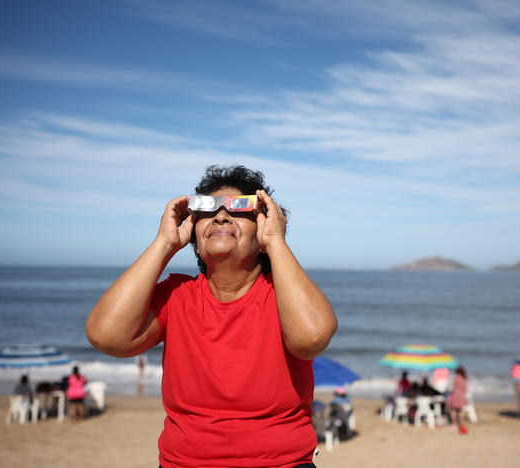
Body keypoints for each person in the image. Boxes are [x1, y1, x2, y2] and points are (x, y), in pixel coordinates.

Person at [86, 165, 337, 468]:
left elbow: (311, 338)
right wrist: (164, 244)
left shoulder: (283, 296)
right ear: (193, 234)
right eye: (208, 210)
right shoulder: (177, 295)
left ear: (264, 229)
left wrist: (278, 243)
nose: (221, 216)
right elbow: (106, 335)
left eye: (240, 208)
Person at [447, 366, 469, 434]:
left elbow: (452, 386)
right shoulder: (464, 378)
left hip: (455, 395)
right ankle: (461, 423)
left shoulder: (456, 377)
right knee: (460, 411)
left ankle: (454, 423)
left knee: (453, 410)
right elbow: (466, 388)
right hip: (462, 396)